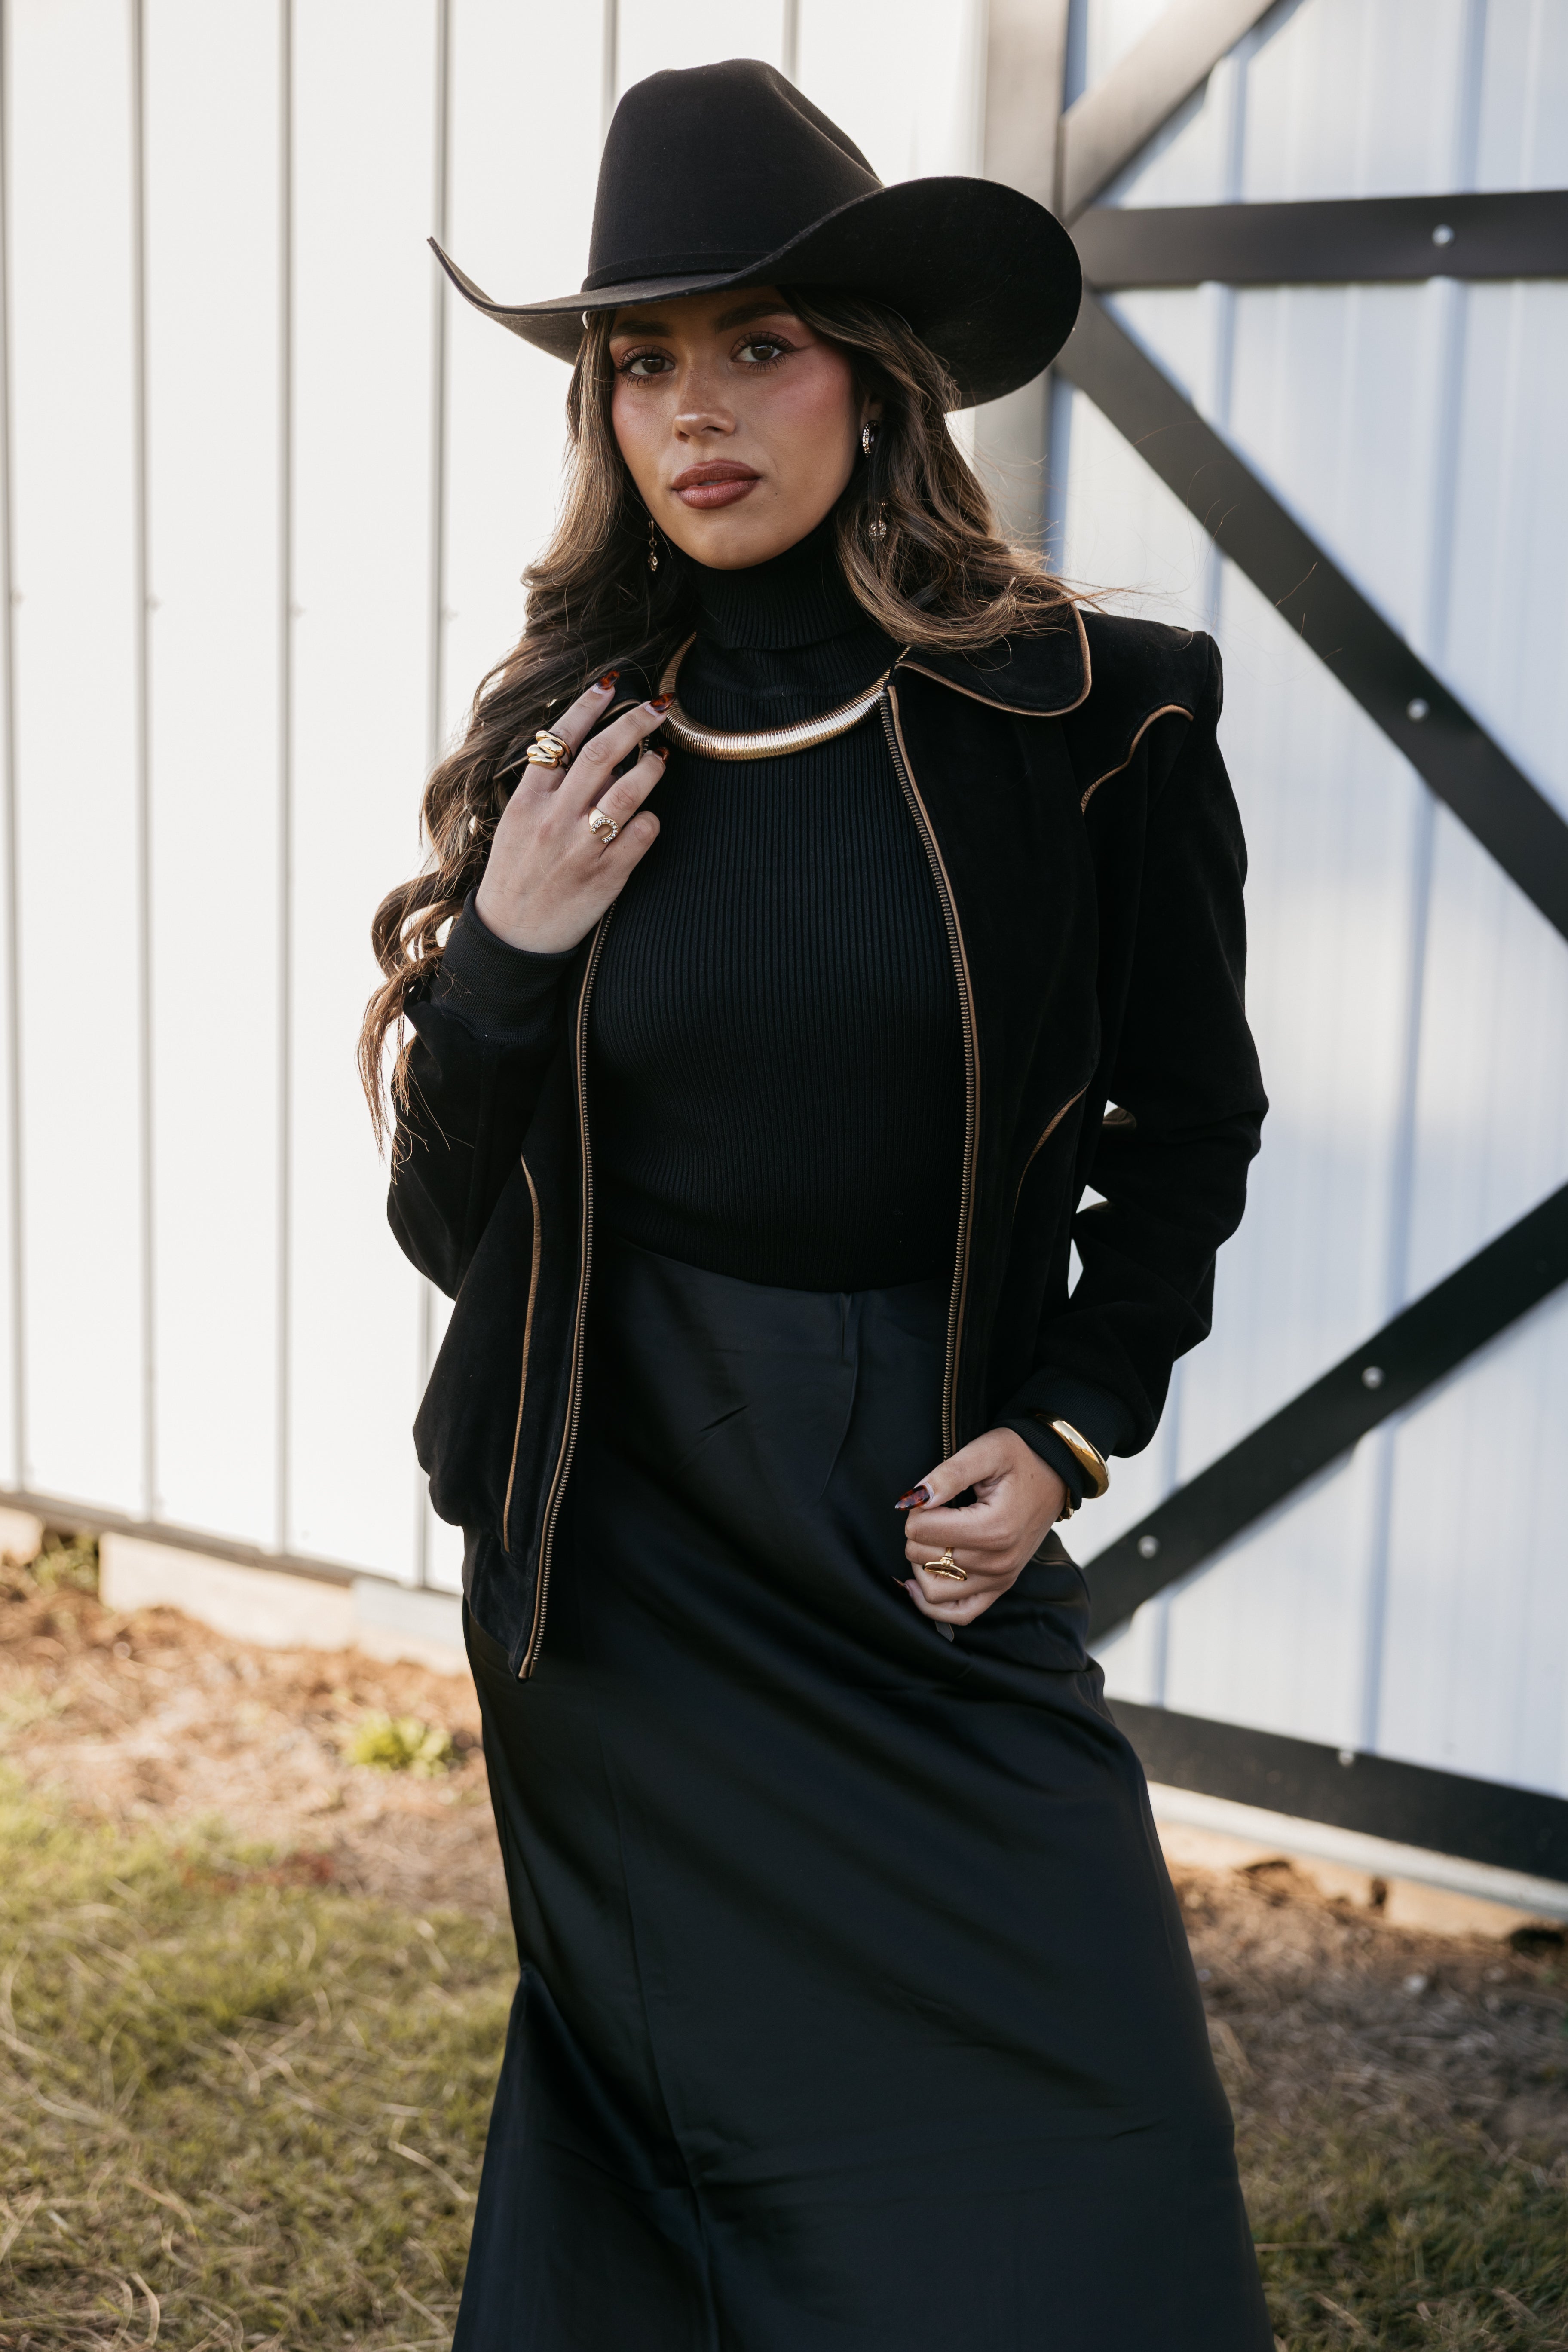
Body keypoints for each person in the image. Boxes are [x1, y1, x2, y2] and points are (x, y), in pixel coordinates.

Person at [362, 57, 1271, 2352]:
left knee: (1103, 2124)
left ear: (871, 380)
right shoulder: (561, 748)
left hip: (908, 1526)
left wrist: (1072, 1425)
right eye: (642, 361)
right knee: (688, 2160)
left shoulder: (1098, 725)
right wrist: (512, 953)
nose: (697, 411)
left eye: (757, 346)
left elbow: (1193, 1126)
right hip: (623, 1544)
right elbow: (443, 1226)